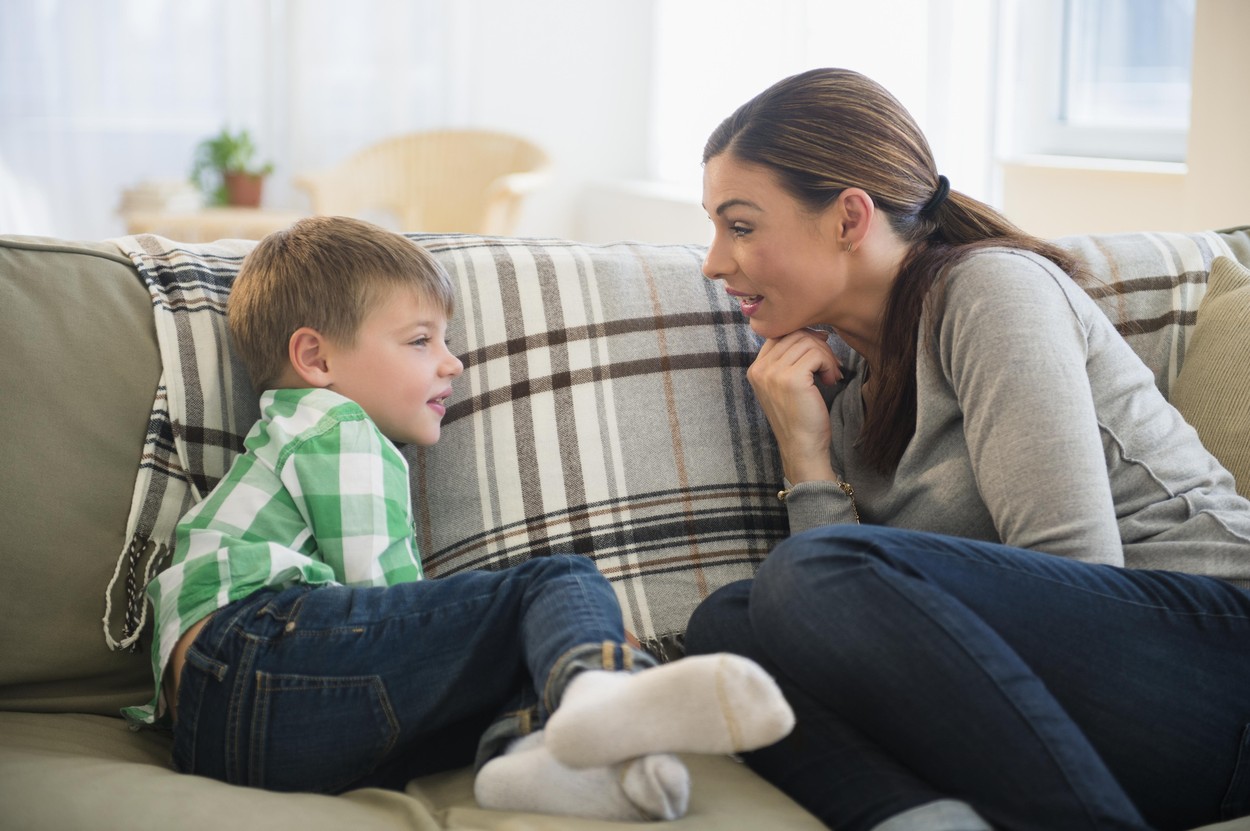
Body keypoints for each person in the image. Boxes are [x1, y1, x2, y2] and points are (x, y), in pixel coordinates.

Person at [685, 67, 1250, 831]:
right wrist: (808, 461)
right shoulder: (844, 393)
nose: (716, 261)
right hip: (1086, 714)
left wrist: (829, 568)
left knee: (811, 573)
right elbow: (830, 640)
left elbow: (1075, 583)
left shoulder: (990, 291)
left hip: (1210, 663)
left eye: (741, 225)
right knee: (730, 628)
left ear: (850, 217)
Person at [122, 215, 795, 821]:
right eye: (421, 341)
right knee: (554, 582)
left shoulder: (294, 434)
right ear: (316, 359)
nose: (454, 362)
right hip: (254, 653)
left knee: (506, 662)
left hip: (227, 733)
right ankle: (600, 687)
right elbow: (384, 595)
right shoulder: (334, 424)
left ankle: (528, 762)